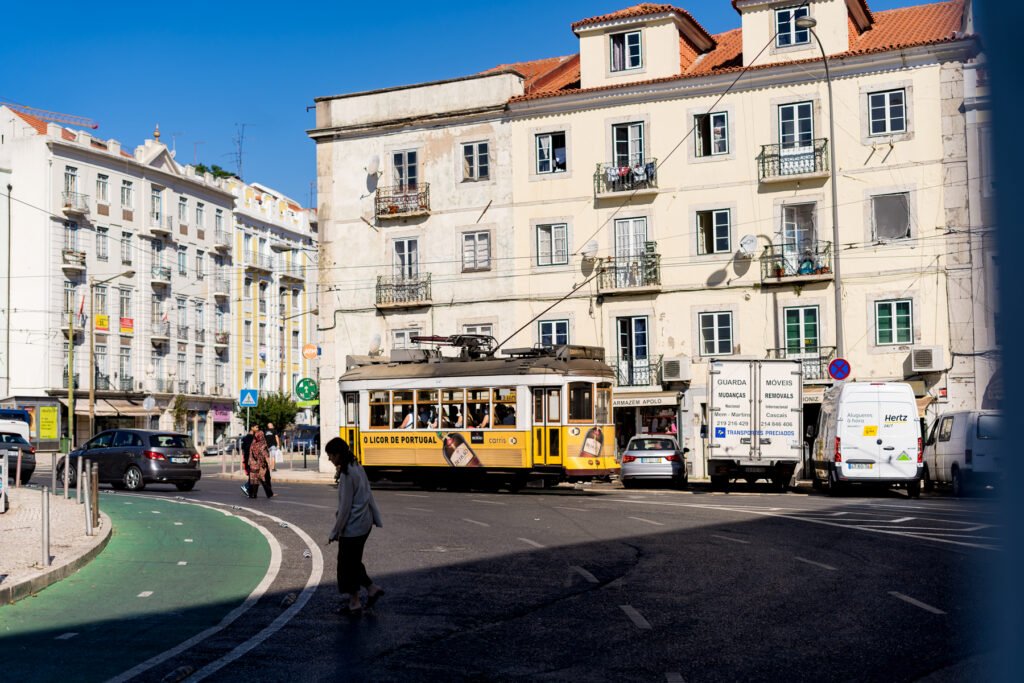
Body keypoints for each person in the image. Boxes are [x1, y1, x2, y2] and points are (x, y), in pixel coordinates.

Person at [326, 437, 384, 615]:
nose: (329, 459)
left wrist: (335, 531)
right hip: (364, 523)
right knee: (353, 562)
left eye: (330, 455)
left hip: (353, 527)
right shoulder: (357, 466)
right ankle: (371, 589)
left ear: (337, 454)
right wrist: (376, 517)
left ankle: (355, 602)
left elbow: (345, 508)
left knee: (345, 565)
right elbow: (369, 494)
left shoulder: (346, 474)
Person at [247, 428, 274, 499]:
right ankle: (269, 493)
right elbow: (265, 454)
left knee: (254, 479)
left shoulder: (253, 443)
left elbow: (251, 453)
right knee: (262, 478)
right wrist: (268, 462)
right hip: (261, 464)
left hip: (253, 464)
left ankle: (253, 494)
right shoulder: (262, 443)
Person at [240, 425, 257, 497]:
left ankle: (248, 488)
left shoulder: (245, 438)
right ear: (251, 428)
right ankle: (246, 487)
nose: (257, 429)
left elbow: (243, 448)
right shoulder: (252, 438)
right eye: (256, 427)